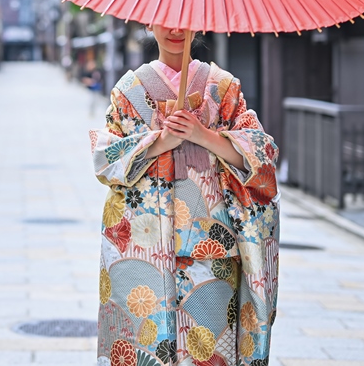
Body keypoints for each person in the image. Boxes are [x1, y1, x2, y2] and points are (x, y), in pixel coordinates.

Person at [91, 25, 279, 366]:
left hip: (212, 248)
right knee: (145, 350)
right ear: (148, 22)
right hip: (143, 249)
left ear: (199, 24)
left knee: (211, 350)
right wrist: (158, 143)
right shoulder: (129, 91)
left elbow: (260, 156)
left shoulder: (223, 87)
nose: (176, 28)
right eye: (164, 17)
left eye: (184, 19)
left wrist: (203, 135)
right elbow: (105, 159)